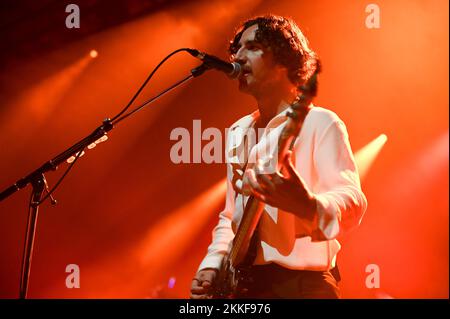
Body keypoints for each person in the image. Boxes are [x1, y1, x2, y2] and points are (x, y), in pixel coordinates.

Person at [190, 14, 367, 299]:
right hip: (246, 290)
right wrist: (213, 264)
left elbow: (352, 199)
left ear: (285, 59)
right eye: (237, 49)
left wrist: (308, 205)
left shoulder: (320, 122)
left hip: (303, 287)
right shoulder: (238, 131)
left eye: (252, 47)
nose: (239, 56)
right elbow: (229, 216)